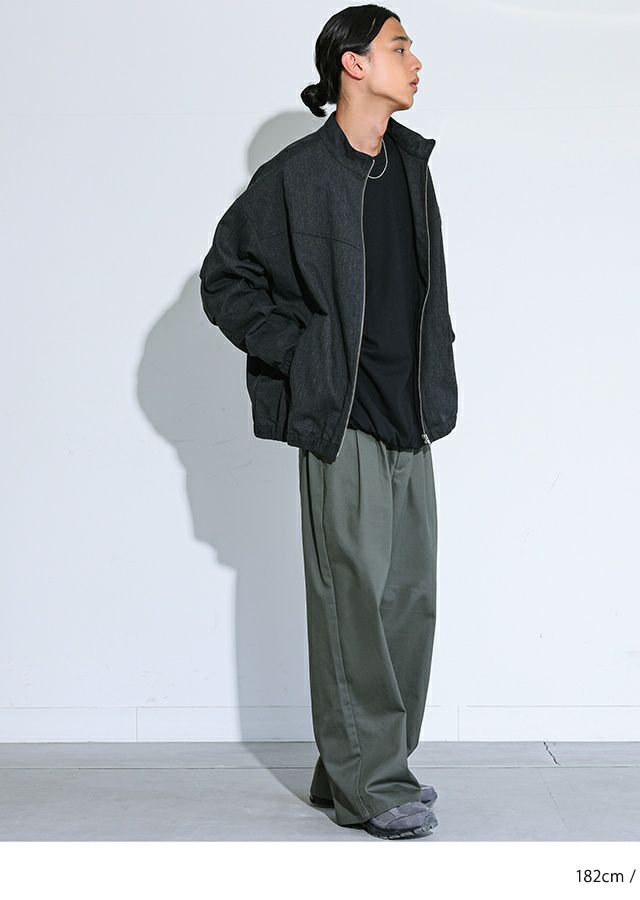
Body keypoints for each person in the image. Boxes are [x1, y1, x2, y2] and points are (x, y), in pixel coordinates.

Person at [199, 4, 457, 840]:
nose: (415, 61)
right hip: (341, 416)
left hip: (409, 413)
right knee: (353, 602)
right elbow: (225, 279)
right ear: (353, 64)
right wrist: (302, 351)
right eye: (399, 46)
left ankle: (353, 764)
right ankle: (372, 785)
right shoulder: (298, 175)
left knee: (408, 603)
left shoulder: (410, 165)